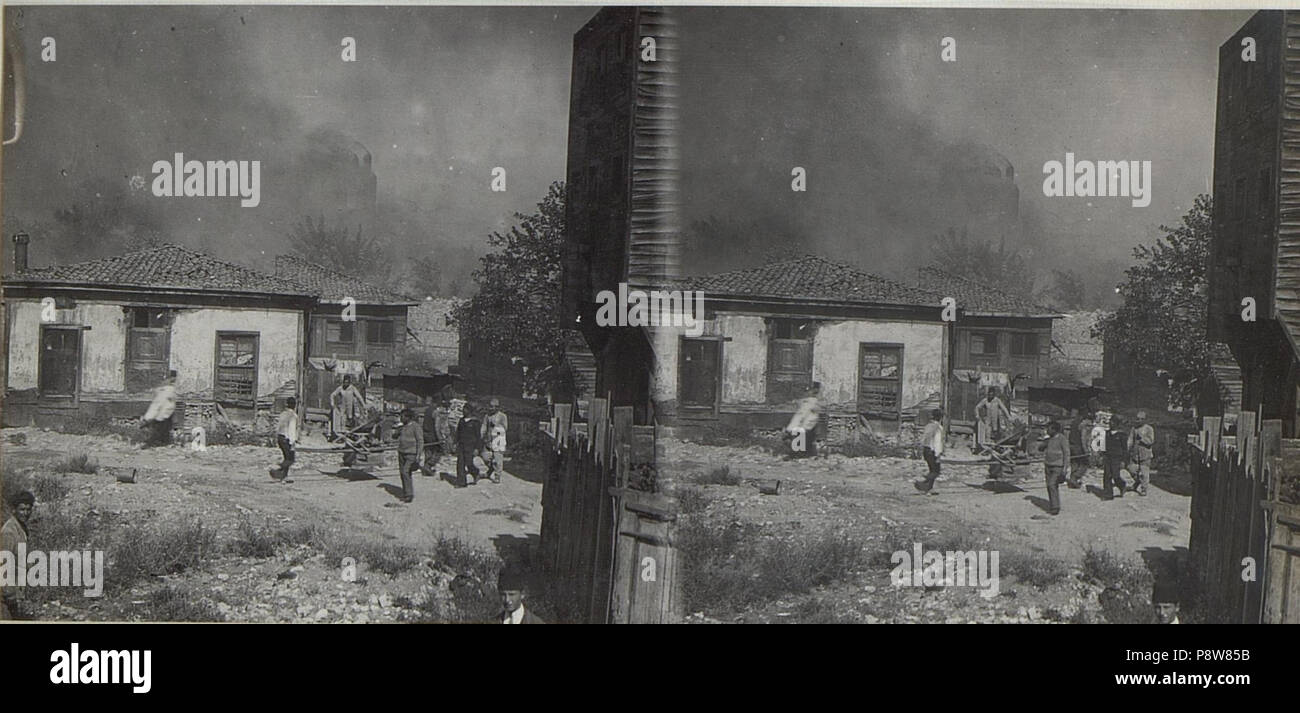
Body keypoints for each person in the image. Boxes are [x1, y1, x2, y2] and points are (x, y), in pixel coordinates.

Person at [1, 490, 34, 620]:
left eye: (28, 509)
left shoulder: (21, 528)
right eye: (22, 509)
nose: (25, 513)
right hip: (6, 595)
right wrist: (9, 595)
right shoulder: (9, 532)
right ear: (14, 510)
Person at [784, 382, 822, 458]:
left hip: (805, 425)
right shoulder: (811, 401)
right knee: (803, 440)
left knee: (803, 440)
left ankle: (798, 454)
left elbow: (802, 414)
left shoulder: (811, 402)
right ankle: (798, 454)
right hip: (805, 425)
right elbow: (802, 414)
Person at [141, 370, 177, 448]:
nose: (172, 380)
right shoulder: (165, 390)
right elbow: (158, 403)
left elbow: (160, 403)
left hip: (165, 414)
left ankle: (159, 443)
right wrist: (149, 416)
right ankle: (152, 444)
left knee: (162, 431)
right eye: (171, 378)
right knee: (159, 431)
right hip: (162, 415)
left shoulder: (169, 389)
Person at [1040, 420, 1069, 515]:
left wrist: (1065, 469)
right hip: (1048, 464)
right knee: (1050, 486)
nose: (1047, 431)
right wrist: (1044, 442)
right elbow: (1040, 448)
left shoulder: (1062, 439)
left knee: (1052, 484)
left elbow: (1066, 454)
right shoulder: (1049, 439)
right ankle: (1053, 504)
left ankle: (1055, 507)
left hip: (1057, 466)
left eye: (1048, 429)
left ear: (1054, 429)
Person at [914, 408, 945, 493]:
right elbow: (937, 442)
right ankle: (924, 481)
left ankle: (928, 488)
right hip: (932, 451)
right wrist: (938, 454)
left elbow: (923, 439)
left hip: (926, 450)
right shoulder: (938, 428)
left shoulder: (928, 426)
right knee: (936, 471)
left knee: (932, 470)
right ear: (941, 418)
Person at [396, 408, 423, 504]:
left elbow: (420, 441)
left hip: (411, 453)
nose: (400, 418)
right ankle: (406, 492)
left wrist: (418, 455)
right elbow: (395, 436)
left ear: (408, 417)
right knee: (402, 473)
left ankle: (409, 495)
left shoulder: (416, 427)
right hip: (401, 452)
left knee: (405, 472)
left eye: (402, 416)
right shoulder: (403, 426)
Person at [271, 397, 299, 482]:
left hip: (280, 437)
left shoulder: (283, 414)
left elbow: (278, 426)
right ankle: (276, 468)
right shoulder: (293, 416)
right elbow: (291, 429)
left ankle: (284, 476)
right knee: (291, 459)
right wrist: (292, 442)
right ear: (294, 405)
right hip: (286, 439)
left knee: (287, 458)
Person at [1103, 414, 1130, 500]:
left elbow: (1125, 449)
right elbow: (1104, 446)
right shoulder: (1106, 433)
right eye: (1110, 421)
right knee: (1107, 475)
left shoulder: (1122, 435)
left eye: (1112, 422)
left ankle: (1122, 485)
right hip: (1107, 457)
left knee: (1115, 475)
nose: (1110, 423)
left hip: (1117, 458)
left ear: (1116, 424)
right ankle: (1108, 494)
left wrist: (1123, 461)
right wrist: (1101, 455)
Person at [456, 406, 484, 487]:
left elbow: (478, 437)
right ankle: (461, 483)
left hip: (470, 446)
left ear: (470, 411)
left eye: (465, 410)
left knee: (469, 463)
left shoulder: (475, 422)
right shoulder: (461, 421)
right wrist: (455, 443)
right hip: (461, 445)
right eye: (463, 409)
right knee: (460, 464)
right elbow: (458, 433)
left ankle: (475, 472)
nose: (463, 411)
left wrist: (477, 448)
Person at [1130, 410, 1155, 497]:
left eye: (1141, 419)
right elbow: (1130, 440)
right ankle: (1137, 482)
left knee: (1144, 473)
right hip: (1135, 454)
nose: (1139, 421)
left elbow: (1151, 441)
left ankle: (1144, 489)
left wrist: (1142, 438)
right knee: (1132, 470)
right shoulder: (1134, 429)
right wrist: (1128, 449)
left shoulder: (1149, 429)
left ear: (1145, 420)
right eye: (1138, 419)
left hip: (1145, 455)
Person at [486, 398, 508, 483]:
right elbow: (485, 426)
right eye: (490, 406)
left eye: (492, 407)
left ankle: (497, 476)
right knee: (487, 457)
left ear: (497, 407)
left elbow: (505, 428)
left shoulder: (502, 416)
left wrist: (496, 425)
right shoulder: (487, 416)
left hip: (499, 440)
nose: (490, 408)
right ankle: (490, 470)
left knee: (498, 459)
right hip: (489, 439)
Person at [1066, 409, 1087, 488]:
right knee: (1084, 464)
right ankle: (1075, 477)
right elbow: (1083, 438)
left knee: (1074, 463)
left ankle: (1072, 482)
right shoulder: (1081, 424)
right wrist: (1085, 450)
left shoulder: (1073, 423)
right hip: (1078, 446)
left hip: (1071, 445)